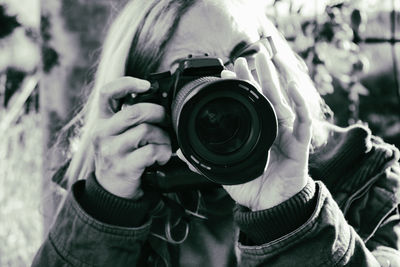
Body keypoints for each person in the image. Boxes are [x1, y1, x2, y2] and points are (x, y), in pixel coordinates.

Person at [32, 0, 400, 266]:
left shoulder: (366, 174)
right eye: (193, 75)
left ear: (275, 55)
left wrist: (291, 210)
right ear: (141, 101)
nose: (230, 84)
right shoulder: (116, 193)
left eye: (246, 55)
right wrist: (108, 209)